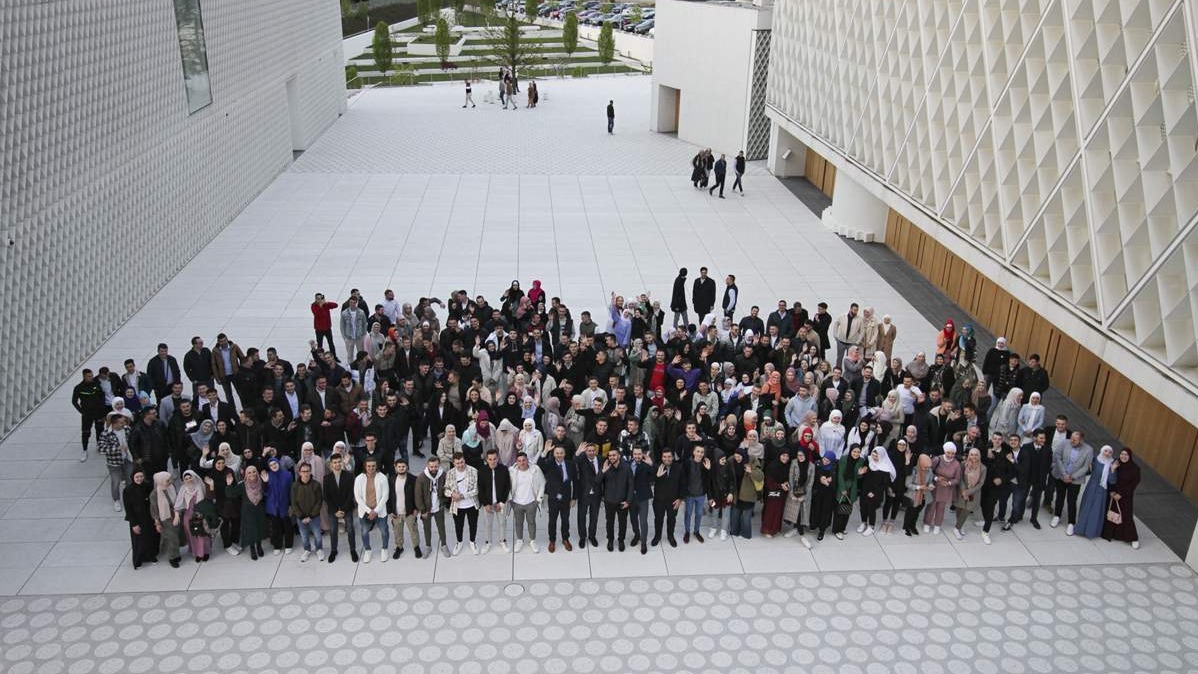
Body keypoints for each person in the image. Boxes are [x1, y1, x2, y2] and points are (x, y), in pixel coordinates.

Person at [1051, 431, 1094, 535]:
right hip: (1061, 476)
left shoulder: (1089, 450)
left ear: (1081, 440)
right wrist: (1064, 474)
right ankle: (1057, 516)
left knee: (1072, 501)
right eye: (1071, 438)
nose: (1072, 441)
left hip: (1075, 480)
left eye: (1075, 440)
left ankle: (1071, 523)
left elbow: (1086, 467)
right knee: (1060, 497)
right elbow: (1057, 457)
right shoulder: (1065, 443)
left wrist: (1072, 477)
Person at [1102, 448, 1141, 548]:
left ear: (1130, 456)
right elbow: (1110, 478)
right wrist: (1111, 491)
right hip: (1113, 494)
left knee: (1126, 516)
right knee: (1112, 514)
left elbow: (1133, 485)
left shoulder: (1135, 469)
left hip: (1125, 496)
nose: (1123, 456)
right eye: (1122, 454)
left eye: (1126, 455)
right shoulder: (1115, 463)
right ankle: (1112, 534)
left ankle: (1133, 538)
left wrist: (1121, 494)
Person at [323, 452, 357, 563]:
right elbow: (327, 497)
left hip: (346, 508)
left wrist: (343, 509)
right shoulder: (327, 478)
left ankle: (353, 550)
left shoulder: (349, 476)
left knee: (350, 529)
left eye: (339, 462)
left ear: (342, 463)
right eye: (335, 462)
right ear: (331, 464)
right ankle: (334, 550)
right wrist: (335, 510)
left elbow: (351, 494)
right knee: (333, 530)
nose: (337, 464)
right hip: (333, 510)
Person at [540, 444, 575, 552]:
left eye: (561, 453)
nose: (559, 455)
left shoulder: (570, 464)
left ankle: (565, 539)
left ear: (564, 454)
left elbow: (576, 481)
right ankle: (552, 540)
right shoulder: (549, 463)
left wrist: (574, 498)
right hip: (553, 498)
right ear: (554, 454)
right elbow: (540, 464)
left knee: (565, 520)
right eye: (557, 453)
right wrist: (545, 452)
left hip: (566, 498)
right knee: (552, 521)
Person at [354, 457, 390, 563]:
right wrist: (370, 511)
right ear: (365, 466)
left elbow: (385, 496)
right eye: (369, 466)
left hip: (379, 511)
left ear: (376, 466)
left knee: (384, 531)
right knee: (364, 532)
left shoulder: (382, 478)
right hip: (365, 512)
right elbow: (358, 497)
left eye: (373, 466)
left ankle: (384, 549)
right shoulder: (359, 479)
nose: (371, 468)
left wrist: (375, 511)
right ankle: (368, 550)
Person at [1075, 445, 1115, 539]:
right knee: (1086, 507)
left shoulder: (1111, 464)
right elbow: (1088, 471)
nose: (1107, 454)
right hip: (1091, 487)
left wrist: (1112, 470)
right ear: (1102, 451)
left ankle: (1091, 531)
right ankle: (1080, 529)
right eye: (1106, 451)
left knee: (1096, 510)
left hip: (1102, 490)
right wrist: (1089, 467)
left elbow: (1112, 481)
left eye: (1110, 452)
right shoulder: (1095, 460)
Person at [445, 453, 481, 556]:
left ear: (464, 460)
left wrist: (462, 496)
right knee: (458, 525)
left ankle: (472, 542)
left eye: (462, 462)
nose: (460, 465)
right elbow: (445, 489)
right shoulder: (450, 473)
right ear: (453, 463)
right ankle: (459, 542)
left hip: (472, 504)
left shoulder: (473, 471)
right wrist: (452, 494)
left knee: (473, 525)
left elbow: (476, 489)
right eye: (457, 463)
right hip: (457, 506)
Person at [415, 455, 452, 557]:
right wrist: (422, 510)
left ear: (439, 465)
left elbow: (447, 488)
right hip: (427, 509)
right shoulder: (421, 477)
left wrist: (444, 502)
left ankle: (444, 545)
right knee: (427, 528)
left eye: (436, 466)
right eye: (431, 466)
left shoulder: (443, 475)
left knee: (441, 527)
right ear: (427, 466)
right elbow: (418, 495)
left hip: (439, 507)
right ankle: (428, 546)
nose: (434, 469)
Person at [174, 469, 214, 562]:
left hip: (201, 513)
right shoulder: (183, 489)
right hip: (189, 515)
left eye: (190, 477)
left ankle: (206, 552)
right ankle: (197, 553)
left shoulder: (200, 486)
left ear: (194, 477)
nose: (189, 480)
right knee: (193, 534)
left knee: (203, 534)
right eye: (186, 479)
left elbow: (208, 498)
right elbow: (178, 502)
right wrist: (176, 514)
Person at [597, 448, 633, 551]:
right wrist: (603, 471)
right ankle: (610, 540)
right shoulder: (606, 467)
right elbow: (597, 482)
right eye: (610, 455)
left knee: (623, 523)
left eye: (614, 455)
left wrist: (628, 501)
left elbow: (631, 485)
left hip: (622, 502)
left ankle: (621, 540)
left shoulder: (626, 468)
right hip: (609, 501)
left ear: (619, 456)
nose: (611, 457)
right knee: (610, 522)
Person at [122, 468, 158, 569]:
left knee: (150, 538)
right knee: (137, 540)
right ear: (133, 478)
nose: (139, 479)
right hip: (136, 519)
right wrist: (134, 524)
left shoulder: (147, 487)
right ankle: (138, 560)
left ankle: (151, 556)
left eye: (141, 476)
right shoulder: (128, 490)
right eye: (137, 477)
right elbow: (128, 508)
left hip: (148, 517)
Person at [510, 452, 545, 552]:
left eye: (523, 460)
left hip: (531, 503)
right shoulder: (511, 471)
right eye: (519, 461)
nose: (522, 462)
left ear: (527, 460)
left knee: (531, 522)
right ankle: (519, 540)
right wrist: (511, 501)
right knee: (518, 523)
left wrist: (538, 500)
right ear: (516, 462)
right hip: (517, 503)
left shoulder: (535, 470)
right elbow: (508, 486)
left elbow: (542, 483)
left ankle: (532, 541)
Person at [290, 462, 324, 561]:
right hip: (301, 518)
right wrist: (301, 516)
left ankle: (319, 549)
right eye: (303, 471)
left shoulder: (316, 485)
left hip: (314, 516)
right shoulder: (295, 486)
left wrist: (311, 516)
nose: (306, 473)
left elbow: (319, 502)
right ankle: (307, 550)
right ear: (299, 473)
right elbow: (293, 503)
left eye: (307, 471)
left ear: (310, 472)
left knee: (317, 535)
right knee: (304, 536)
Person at [924, 442, 960, 533]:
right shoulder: (937, 459)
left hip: (946, 489)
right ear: (945, 451)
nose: (950, 455)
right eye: (948, 452)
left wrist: (948, 483)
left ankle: (937, 525)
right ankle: (927, 523)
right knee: (931, 506)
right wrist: (936, 478)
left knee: (941, 508)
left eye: (953, 453)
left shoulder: (956, 464)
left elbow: (957, 479)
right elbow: (928, 471)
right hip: (935, 487)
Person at [857, 447, 894, 536]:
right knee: (863, 506)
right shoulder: (869, 461)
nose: (874, 457)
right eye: (873, 454)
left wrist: (874, 492)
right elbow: (863, 475)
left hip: (876, 492)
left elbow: (884, 484)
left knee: (871, 509)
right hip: (865, 489)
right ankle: (863, 522)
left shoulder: (885, 468)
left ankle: (871, 526)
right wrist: (860, 474)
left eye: (876, 455)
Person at [99, 412, 131, 511]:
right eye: (121, 423)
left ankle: (129, 498)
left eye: (124, 422)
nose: (124, 424)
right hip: (114, 463)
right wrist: (117, 449)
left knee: (130, 479)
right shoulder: (106, 434)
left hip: (127, 459)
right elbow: (101, 448)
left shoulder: (127, 430)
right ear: (114, 423)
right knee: (116, 482)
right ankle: (116, 500)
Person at [832, 445, 865, 539]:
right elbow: (840, 475)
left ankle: (842, 528)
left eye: (858, 452)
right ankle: (837, 530)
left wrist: (860, 474)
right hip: (843, 488)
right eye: (854, 451)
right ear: (850, 451)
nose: (856, 454)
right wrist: (842, 488)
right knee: (839, 510)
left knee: (847, 509)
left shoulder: (861, 461)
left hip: (852, 488)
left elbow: (858, 477)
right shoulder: (844, 459)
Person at [953, 448, 987, 539]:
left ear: (979, 456)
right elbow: (960, 478)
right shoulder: (964, 464)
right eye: (972, 454)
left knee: (967, 510)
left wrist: (969, 492)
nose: (974, 457)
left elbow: (981, 483)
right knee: (959, 508)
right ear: (969, 455)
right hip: (961, 490)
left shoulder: (983, 468)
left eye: (976, 455)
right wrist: (964, 490)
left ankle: (957, 528)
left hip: (974, 493)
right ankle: (960, 525)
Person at [73, 369, 106, 461]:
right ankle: (84, 450)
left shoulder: (96, 385)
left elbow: (102, 395)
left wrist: (102, 407)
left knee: (99, 428)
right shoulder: (79, 388)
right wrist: (81, 411)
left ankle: (99, 445)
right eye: (89, 376)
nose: (91, 378)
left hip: (98, 411)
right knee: (86, 431)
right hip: (87, 413)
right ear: (84, 376)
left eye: (92, 376)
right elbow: (74, 401)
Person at [150, 471, 182, 568]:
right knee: (172, 537)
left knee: (175, 535)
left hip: (175, 514)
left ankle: (174, 553)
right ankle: (172, 557)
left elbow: (177, 499)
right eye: (167, 480)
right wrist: (157, 522)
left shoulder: (171, 487)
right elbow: (154, 509)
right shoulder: (155, 494)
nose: (170, 481)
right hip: (165, 518)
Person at [652, 449, 683, 546]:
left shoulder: (679, 468)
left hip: (673, 500)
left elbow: (683, 484)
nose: (667, 459)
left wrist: (680, 499)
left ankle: (670, 536)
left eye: (669, 457)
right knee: (658, 519)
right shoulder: (657, 467)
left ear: (673, 457)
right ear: (662, 458)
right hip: (659, 500)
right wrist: (657, 476)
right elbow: (649, 479)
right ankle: (657, 536)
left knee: (671, 519)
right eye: (664, 457)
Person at [761, 450, 791, 537]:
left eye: (787, 456)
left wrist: (786, 484)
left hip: (782, 493)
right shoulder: (772, 466)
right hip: (772, 493)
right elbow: (769, 482)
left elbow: (787, 479)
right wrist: (780, 486)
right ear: (779, 455)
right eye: (783, 455)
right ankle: (767, 530)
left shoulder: (787, 466)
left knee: (779, 511)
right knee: (770, 512)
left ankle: (775, 529)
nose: (785, 458)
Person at [902, 453, 932, 536]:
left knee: (917, 512)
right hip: (913, 495)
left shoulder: (929, 470)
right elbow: (907, 484)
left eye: (928, 467)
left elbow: (930, 481)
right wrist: (919, 487)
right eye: (925, 467)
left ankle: (913, 526)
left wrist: (930, 485)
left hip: (923, 496)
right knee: (910, 512)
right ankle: (906, 527)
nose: (926, 469)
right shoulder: (914, 470)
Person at [311, 293, 339, 359]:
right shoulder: (314, 306)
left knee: (331, 343)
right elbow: (317, 314)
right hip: (319, 329)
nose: (319, 300)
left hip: (327, 328)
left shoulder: (325, 305)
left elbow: (335, 305)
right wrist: (320, 306)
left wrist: (326, 303)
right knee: (320, 345)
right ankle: (319, 358)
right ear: (315, 299)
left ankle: (334, 357)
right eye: (318, 299)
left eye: (320, 298)